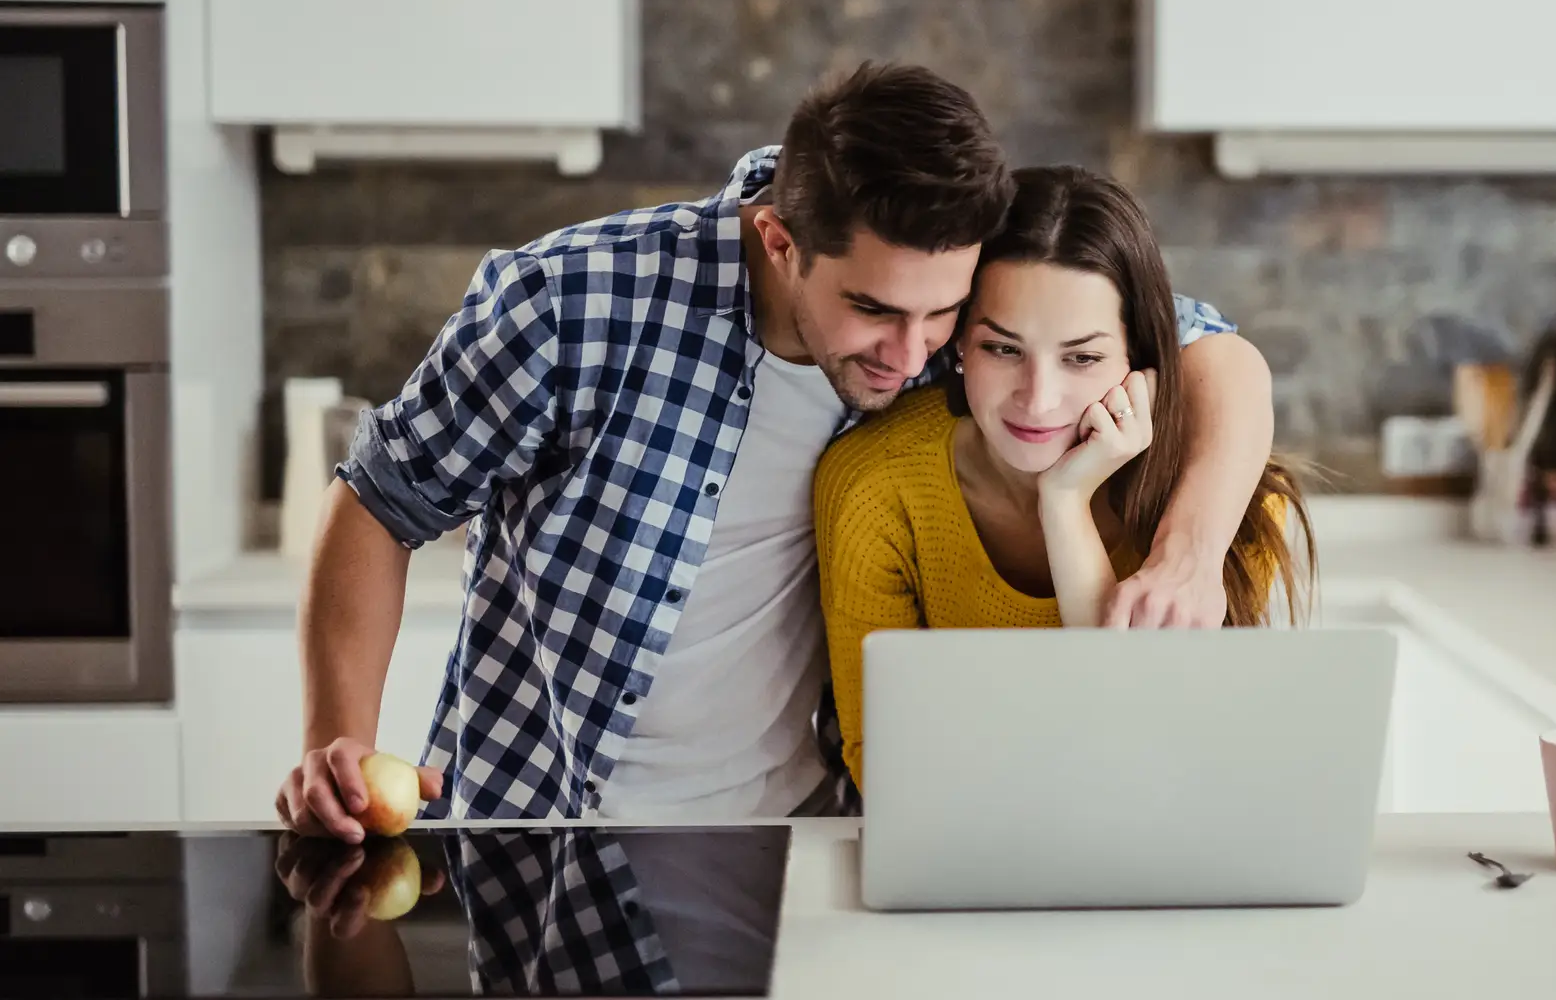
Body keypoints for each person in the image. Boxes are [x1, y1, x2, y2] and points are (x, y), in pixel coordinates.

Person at [275, 62, 1280, 838]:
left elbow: (1213, 352)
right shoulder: (571, 305)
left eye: (943, 317)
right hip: (548, 827)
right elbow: (377, 500)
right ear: (778, 241)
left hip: (787, 837)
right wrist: (338, 742)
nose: (909, 353)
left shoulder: (956, 319)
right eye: (874, 310)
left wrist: (1186, 554)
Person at [815, 165, 1318, 791]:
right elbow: (883, 764)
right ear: (958, 343)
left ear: (1142, 360)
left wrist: (1064, 502)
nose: (1039, 399)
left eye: (1082, 357)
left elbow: (1159, 761)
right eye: (1002, 348)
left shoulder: (1218, 497)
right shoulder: (875, 484)